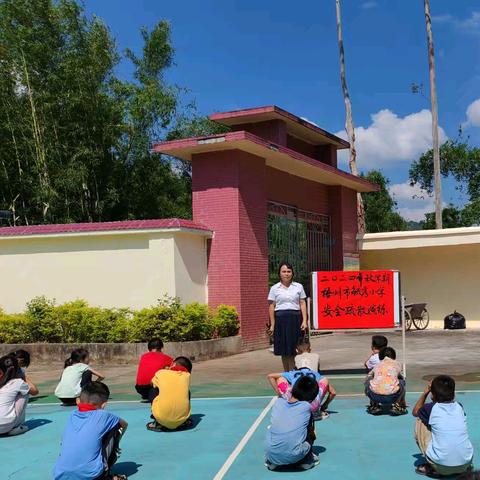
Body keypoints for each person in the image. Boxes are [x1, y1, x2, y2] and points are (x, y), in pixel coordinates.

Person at [53, 381, 128, 480]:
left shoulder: (72, 415)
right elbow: (124, 425)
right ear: (103, 405)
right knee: (115, 428)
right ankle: (106, 474)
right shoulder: (104, 415)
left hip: (61, 475)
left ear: (78, 401)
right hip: (92, 475)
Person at [412, 376, 474, 477]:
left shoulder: (430, 408)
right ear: (453, 394)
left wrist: (426, 392)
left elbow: (415, 412)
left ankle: (433, 467)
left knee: (420, 419)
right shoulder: (459, 406)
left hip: (441, 466)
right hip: (465, 463)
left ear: (432, 396)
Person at [264, 375, 320, 471]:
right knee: (311, 433)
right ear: (311, 397)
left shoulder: (279, 402)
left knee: (272, 428)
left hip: (270, 455)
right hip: (294, 457)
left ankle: (273, 462)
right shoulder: (306, 407)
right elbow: (309, 430)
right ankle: (307, 460)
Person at [268, 263, 308, 371]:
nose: (286, 274)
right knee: (284, 349)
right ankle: (287, 373)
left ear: (292, 273)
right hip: (280, 320)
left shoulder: (298, 286)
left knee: (295, 348)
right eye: (284, 271)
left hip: (295, 319)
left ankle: (294, 372)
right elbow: (272, 306)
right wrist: (272, 325)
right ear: (279, 273)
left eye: (289, 271)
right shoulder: (274, 288)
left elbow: (302, 303)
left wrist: (304, 320)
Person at [267, 366, 336, 420]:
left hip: (294, 407)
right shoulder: (316, 375)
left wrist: (279, 394)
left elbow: (270, 376)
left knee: (280, 378)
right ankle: (315, 412)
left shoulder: (292, 373)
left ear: (296, 369)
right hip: (312, 407)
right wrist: (324, 405)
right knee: (324, 380)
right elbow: (333, 393)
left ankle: (287, 406)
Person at [147, 356, 193, 432]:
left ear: (174, 364)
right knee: (187, 392)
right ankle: (183, 421)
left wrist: (165, 371)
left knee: (153, 390)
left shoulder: (161, 373)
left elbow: (151, 383)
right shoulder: (187, 376)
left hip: (162, 418)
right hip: (181, 420)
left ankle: (158, 422)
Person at [0, 354, 39, 436]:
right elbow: (35, 391)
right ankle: (17, 426)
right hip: (5, 426)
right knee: (25, 391)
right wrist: (23, 376)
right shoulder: (18, 382)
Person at [365, 346, 407, 415]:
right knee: (402, 381)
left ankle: (374, 405)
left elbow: (368, 376)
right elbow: (402, 376)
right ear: (394, 357)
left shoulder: (377, 365)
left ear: (380, 357)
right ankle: (399, 405)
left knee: (369, 379)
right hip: (392, 396)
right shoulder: (397, 364)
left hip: (374, 395)